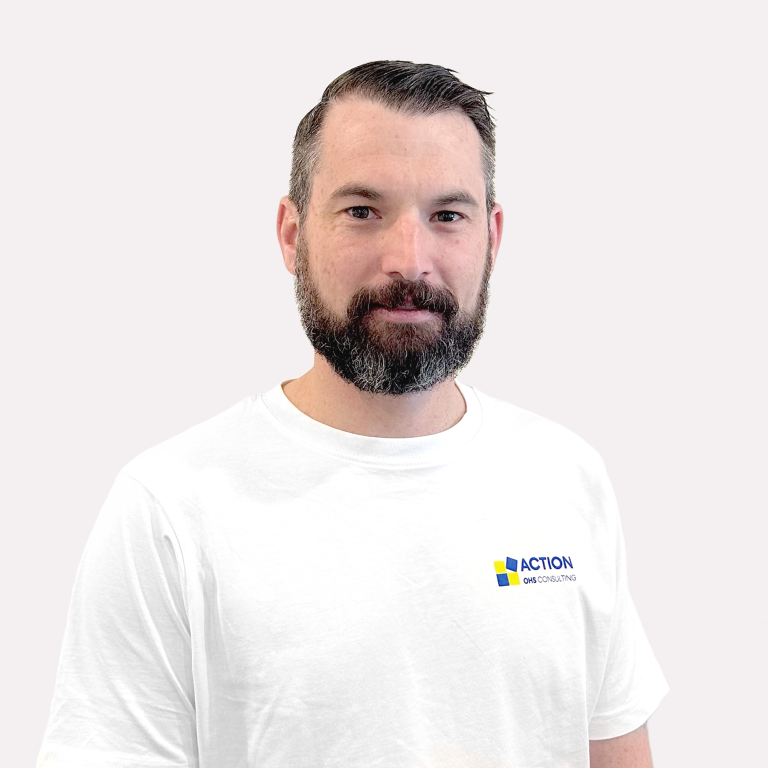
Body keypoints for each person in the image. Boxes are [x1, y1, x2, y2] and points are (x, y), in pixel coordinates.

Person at [37, 61, 668, 768]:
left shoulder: (566, 477)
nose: (410, 260)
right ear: (291, 234)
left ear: (492, 237)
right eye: (363, 211)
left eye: (447, 216)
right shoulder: (170, 509)